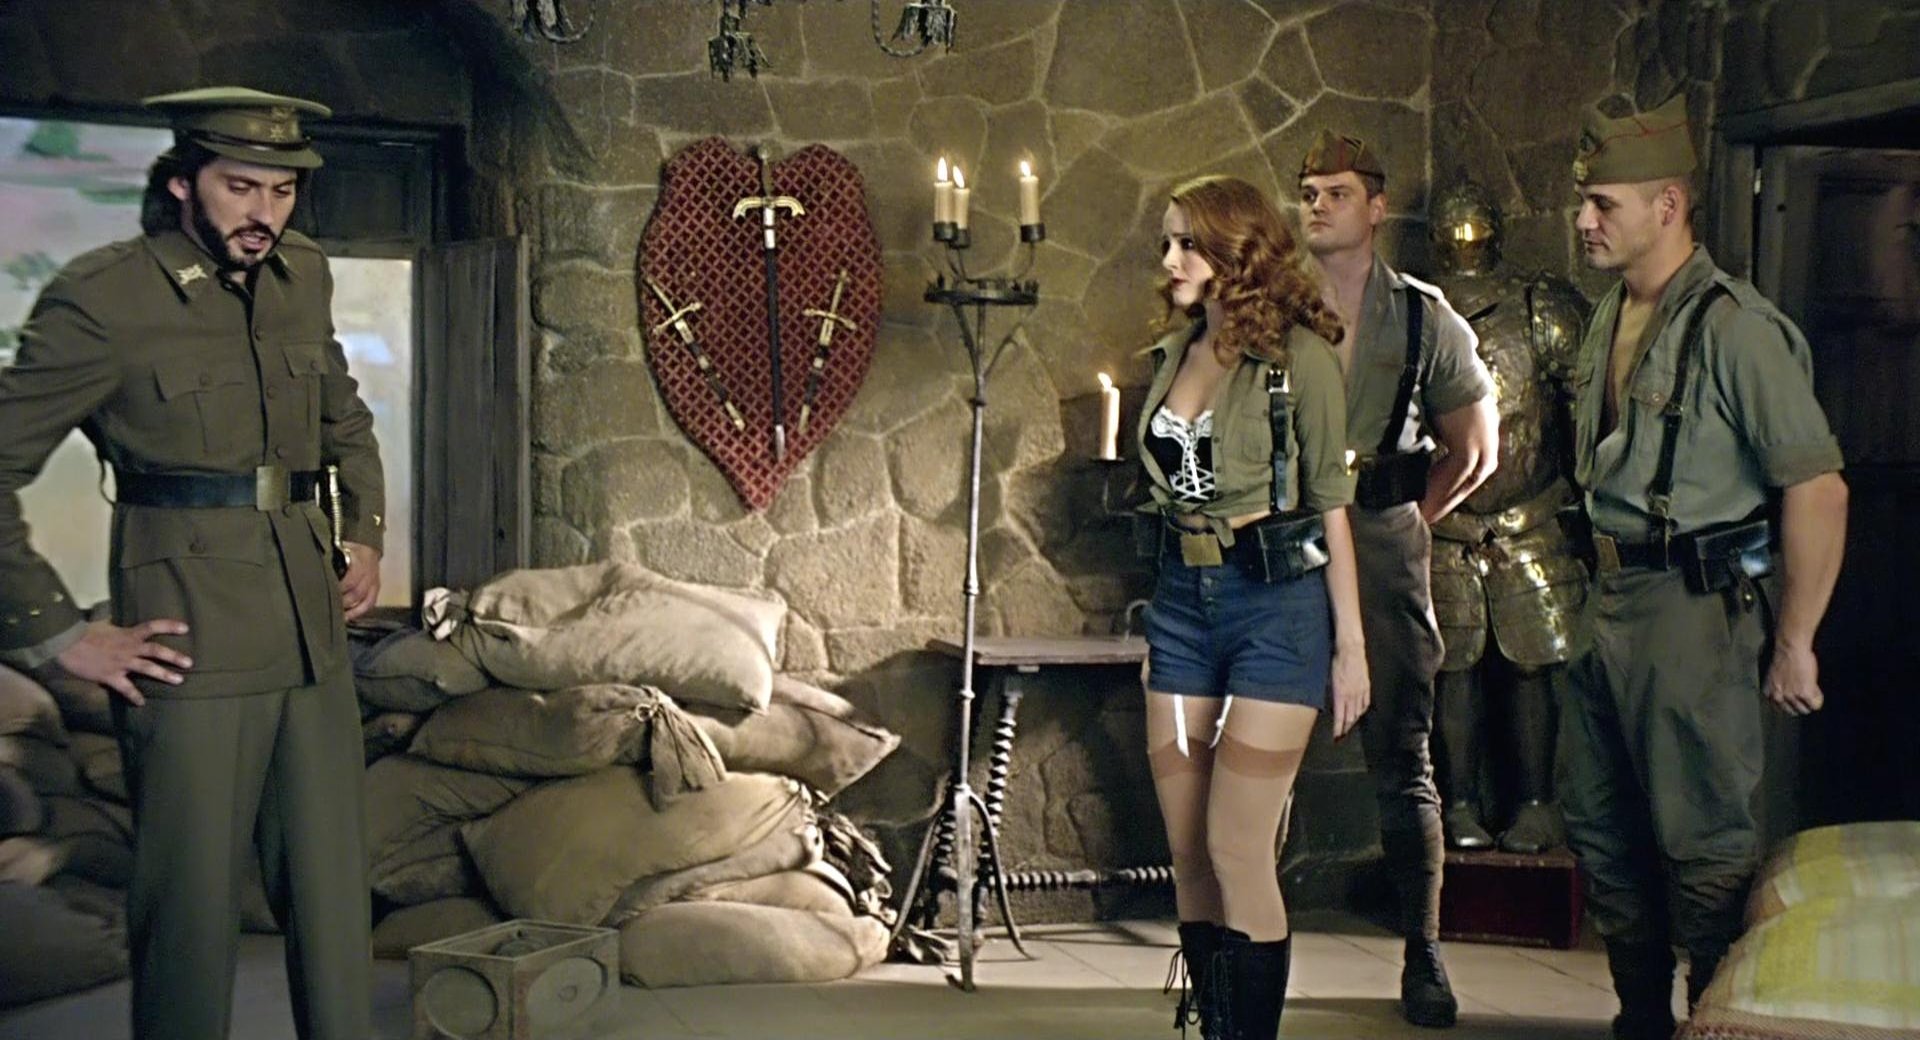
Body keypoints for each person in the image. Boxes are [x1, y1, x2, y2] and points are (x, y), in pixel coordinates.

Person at [0, 86, 386, 1040]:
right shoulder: (104, 298)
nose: (264, 213)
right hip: (191, 640)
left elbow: (341, 412)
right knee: (190, 912)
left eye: (283, 191)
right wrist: (58, 635)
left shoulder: (302, 273)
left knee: (336, 900)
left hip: (311, 632)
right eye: (240, 187)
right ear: (182, 183)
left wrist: (366, 530)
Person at [1561, 94, 1847, 1040]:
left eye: (1604, 204)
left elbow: (1818, 487)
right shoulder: (1610, 315)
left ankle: (1718, 1023)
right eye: (1583, 202)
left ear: (1669, 204)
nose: (1585, 220)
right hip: (1607, 596)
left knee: (1704, 843)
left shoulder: (1736, 328)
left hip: (1692, 604)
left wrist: (1796, 639)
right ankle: (1641, 1019)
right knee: (1603, 829)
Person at [1136, 175, 1367, 1040]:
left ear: (1235, 253)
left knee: (1238, 847)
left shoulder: (1301, 359)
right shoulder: (1174, 351)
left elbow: (1331, 504)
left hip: (1276, 606)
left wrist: (1351, 647)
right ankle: (1217, 1027)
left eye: (1187, 244)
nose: (1170, 260)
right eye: (1168, 242)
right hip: (1181, 606)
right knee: (1190, 855)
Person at [1299, 129, 1499, 1029]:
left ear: (1376, 207)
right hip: (1285, 535)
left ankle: (1423, 953)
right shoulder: (1273, 306)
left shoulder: (1423, 316)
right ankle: (1242, 949)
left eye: (1336, 192)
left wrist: (1409, 517)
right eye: (1308, 192)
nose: (1317, 205)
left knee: (1402, 755)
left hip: (1382, 538)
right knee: (1257, 745)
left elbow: (1477, 447)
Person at [1424, 181, 1591, 855]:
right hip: (1442, 523)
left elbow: (1581, 417)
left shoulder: (1540, 306)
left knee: (1531, 667)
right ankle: (1458, 804)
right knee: (1453, 669)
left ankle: (1536, 802)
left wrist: (1577, 500)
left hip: (1532, 517)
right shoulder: (1417, 311)